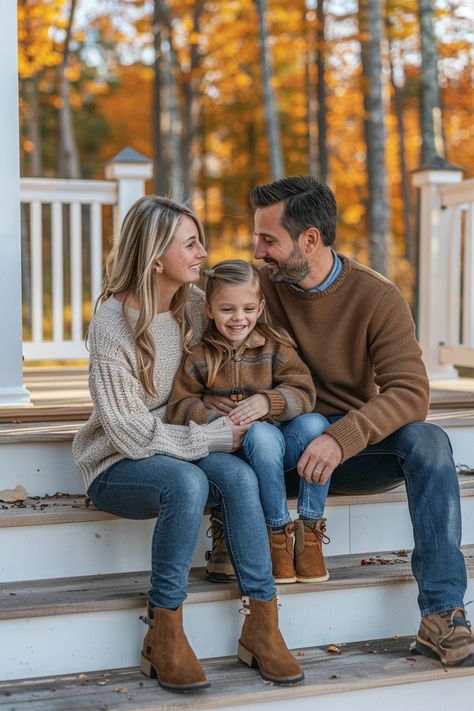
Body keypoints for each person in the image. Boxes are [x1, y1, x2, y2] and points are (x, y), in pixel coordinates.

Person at [205, 175, 474, 669]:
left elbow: (411, 392)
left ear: (310, 239)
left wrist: (341, 438)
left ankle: (442, 614)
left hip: (346, 452)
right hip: (273, 445)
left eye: (269, 239)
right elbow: (196, 330)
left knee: (431, 441)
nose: (257, 249)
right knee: (250, 434)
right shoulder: (255, 290)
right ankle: (230, 525)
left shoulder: (377, 296)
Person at [72, 195, 304, 692]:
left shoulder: (195, 306)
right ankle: (164, 632)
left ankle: (262, 624)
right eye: (192, 243)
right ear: (157, 256)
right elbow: (131, 433)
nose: (204, 253)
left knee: (239, 477)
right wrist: (213, 434)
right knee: (186, 484)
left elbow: (241, 346)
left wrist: (253, 403)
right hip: (117, 461)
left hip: (185, 438)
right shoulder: (112, 324)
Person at [167, 259, 330, 585]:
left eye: (247, 308)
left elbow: (304, 392)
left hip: (279, 446)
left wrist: (267, 401)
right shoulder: (200, 355)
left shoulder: (275, 345)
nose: (238, 318)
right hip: (236, 452)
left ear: (261, 308)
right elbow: (177, 407)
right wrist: (212, 413)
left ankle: (310, 531)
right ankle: (278, 535)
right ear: (209, 309)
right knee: (261, 435)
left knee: (316, 425)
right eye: (227, 309)